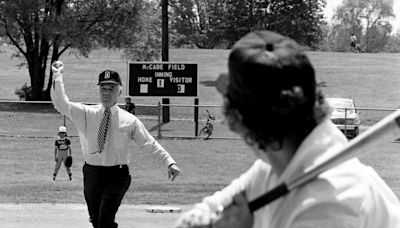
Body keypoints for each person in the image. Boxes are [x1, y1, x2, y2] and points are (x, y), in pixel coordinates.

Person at [174, 30, 400, 228]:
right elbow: (211, 208)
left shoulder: (333, 203)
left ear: (240, 120)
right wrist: (196, 220)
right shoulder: (272, 168)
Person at [50, 63, 181, 228]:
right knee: (97, 220)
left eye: (111, 88)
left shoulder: (129, 120)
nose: (106, 93)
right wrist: (58, 76)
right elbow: (60, 104)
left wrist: (169, 161)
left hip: (117, 175)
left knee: (105, 218)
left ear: (119, 91)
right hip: (92, 173)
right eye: (103, 88)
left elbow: (148, 143)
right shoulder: (85, 113)